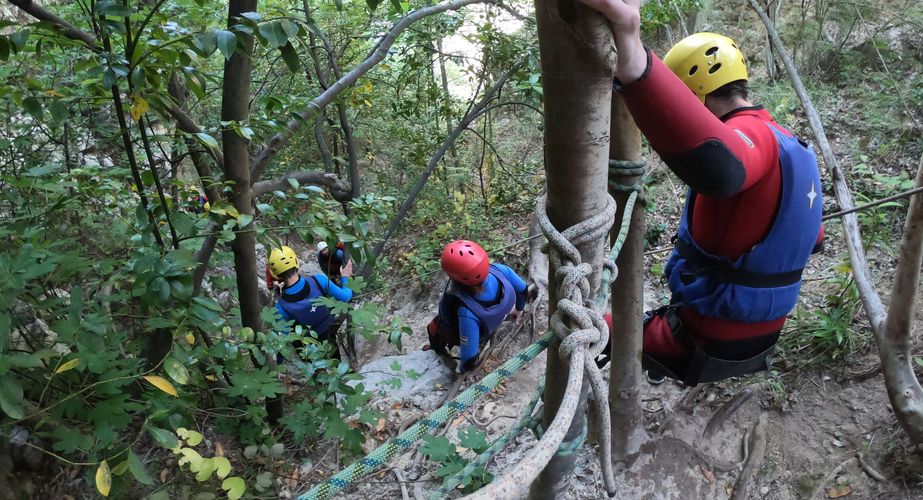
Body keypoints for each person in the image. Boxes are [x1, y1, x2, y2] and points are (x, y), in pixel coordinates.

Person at [579, 0, 824, 385]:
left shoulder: (755, 140)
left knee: (595, 328)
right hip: (758, 335)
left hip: (704, 337)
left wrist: (632, 57)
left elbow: (722, 170)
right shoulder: (795, 148)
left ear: (694, 96)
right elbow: (812, 238)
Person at [426, 240, 529, 373]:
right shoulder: (500, 270)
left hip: (481, 330)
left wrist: (464, 370)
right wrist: (519, 309)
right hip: (495, 319)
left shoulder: (467, 311)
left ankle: (437, 351)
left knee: (432, 328)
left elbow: (469, 355)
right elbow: (522, 290)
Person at [268, 245, 354, 360]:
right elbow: (346, 297)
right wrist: (345, 278)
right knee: (334, 361)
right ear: (296, 262)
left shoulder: (280, 308)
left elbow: (282, 343)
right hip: (329, 334)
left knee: (315, 373)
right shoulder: (319, 281)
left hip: (308, 351)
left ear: (276, 274)